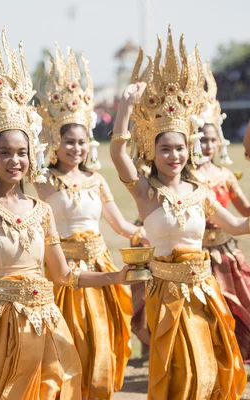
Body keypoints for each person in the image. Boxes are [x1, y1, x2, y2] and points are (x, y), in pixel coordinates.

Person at [0, 20, 135, 399]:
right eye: (5, 153)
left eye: (22, 153)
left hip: (46, 322)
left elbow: (63, 276)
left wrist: (118, 277)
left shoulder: (40, 209)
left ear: (33, 156)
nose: (15, 160)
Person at [110, 27, 248, 399]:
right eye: (166, 149)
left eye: (180, 148)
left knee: (212, 363)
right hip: (166, 294)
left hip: (205, 290)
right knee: (179, 371)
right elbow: (119, 155)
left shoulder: (200, 192)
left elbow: (237, 224)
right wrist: (124, 105)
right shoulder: (144, 191)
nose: (175, 156)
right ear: (152, 152)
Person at [35, 45, 137, 398]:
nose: (75, 148)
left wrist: (151, 235)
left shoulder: (97, 180)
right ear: (55, 142)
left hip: (99, 267)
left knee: (100, 342)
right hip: (58, 270)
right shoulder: (41, 181)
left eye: (80, 141)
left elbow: (121, 226)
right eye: (68, 141)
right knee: (62, 347)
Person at [192, 61, 250, 363]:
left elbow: (244, 211)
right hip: (198, 255)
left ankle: (231, 358)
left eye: (213, 139)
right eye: (202, 138)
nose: (208, 144)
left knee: (238, 308)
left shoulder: (226, 175)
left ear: (220, 142)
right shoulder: (185, 180)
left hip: (226, 252)